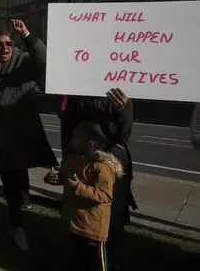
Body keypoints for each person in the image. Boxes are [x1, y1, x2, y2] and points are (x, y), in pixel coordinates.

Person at [0, 19, 56, 251]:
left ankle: (17, 228)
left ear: (13, 45)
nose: (4, 48)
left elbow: (45, 61)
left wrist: (27, 35)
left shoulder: (24, 63)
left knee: (13, 187)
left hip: (15, 135)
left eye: (8, 44)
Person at [60, 88, 136, 270]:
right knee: (82, 212)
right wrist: (68, 163)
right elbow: (69, 129)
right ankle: (82, 257)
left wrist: (122, 110)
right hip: (83, 159)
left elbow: (123, 134)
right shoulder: (77, 92)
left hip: (110, 161)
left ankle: (110, 260)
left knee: (112, 217)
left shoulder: (120, 94)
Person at [44, 122, 124, 271]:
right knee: (78, 261)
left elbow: (105, 195)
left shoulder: (102, 167)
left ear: (90, 144)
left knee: (95, 264)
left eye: (76, 137)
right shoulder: (72, 160)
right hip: (75, 224)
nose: (71, 140)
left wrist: (79, 188)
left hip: (93, 229)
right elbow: (67, 178)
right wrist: (54, 178)